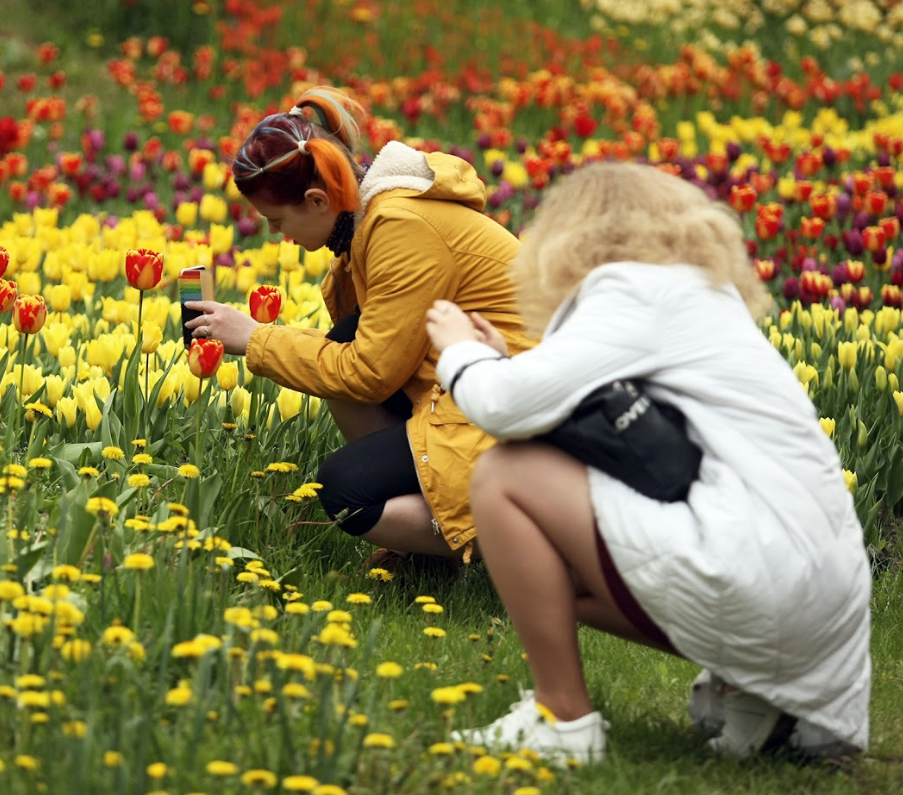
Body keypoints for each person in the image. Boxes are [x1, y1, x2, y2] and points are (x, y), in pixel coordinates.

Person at [425, 161, 871, 764]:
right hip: (817, 592)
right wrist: (503, 357)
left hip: (764, 572)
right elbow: (589, 406)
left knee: (505, 474)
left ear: (574, 234)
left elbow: (503, 410)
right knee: (552, 585)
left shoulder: (634, 288)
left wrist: (456, 353)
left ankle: (562, 720)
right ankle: (757, 693)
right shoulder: (693, 294)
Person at [185, 86, 531, 567]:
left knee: (347, 492)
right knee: (345, 336)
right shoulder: (370, 222)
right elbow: (364, 350)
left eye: (276, 219)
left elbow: (370, 373)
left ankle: (528, 540)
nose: (273, 233)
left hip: (524, 412)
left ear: (317, 200)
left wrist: (257, 340)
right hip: (476, 388)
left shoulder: (400, 227)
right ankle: (431, 548)